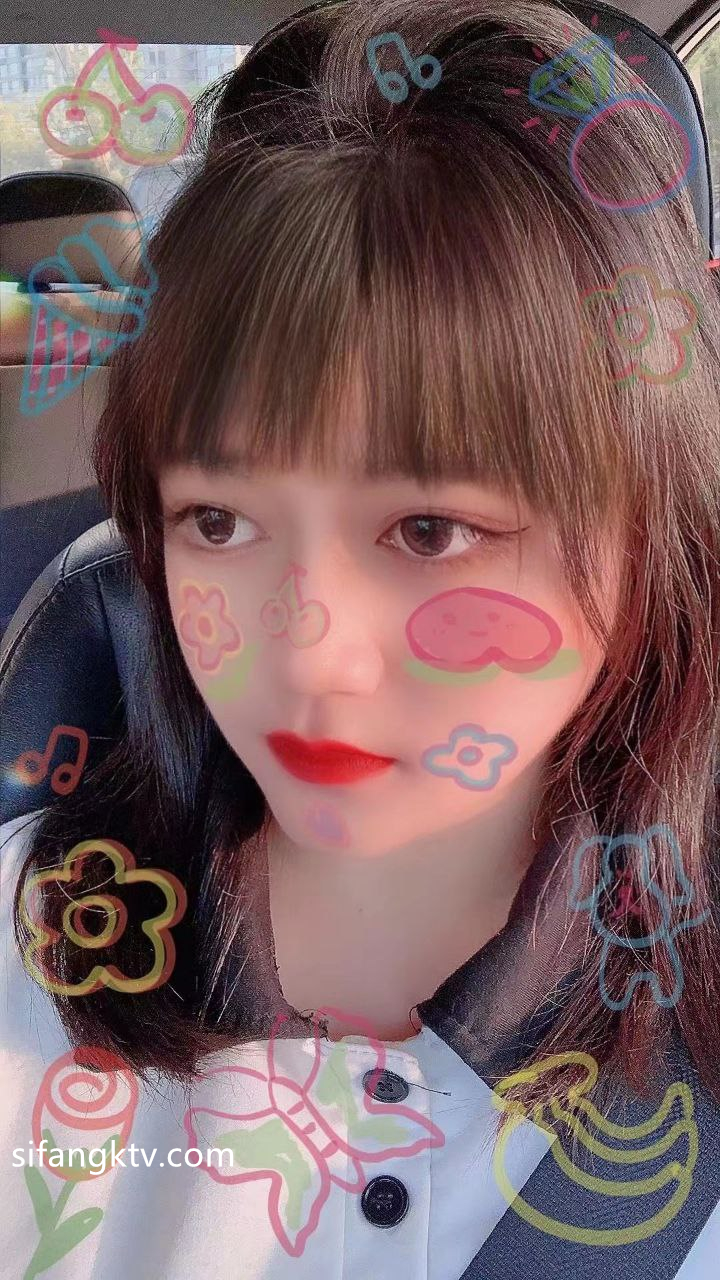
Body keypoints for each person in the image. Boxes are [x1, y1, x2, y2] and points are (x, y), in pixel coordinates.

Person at [1, 1, 719, 1276]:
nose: (306, 656)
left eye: (431, 531)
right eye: (219, 520)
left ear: (644, 528)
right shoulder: (23, 952)